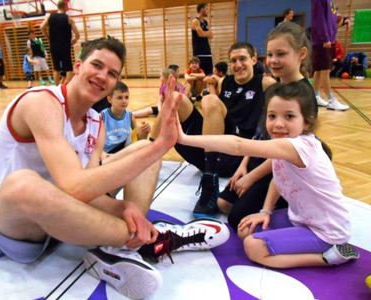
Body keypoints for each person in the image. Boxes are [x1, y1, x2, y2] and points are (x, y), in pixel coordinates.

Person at [0, 36, 229, 299]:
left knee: (141, 151)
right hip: (17, 229)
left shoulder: (96, 122)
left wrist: (125, 207)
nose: (102, 76)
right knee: (24, 185)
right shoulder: (40, 102)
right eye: (96, 65)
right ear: (78, 65)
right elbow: (72, 185)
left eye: (111, 73)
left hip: (65, 222)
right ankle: (152, 237)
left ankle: (122, 247)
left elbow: (86, 191)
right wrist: (160, 144)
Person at [177, 81, 360, 268]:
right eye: (272, 116)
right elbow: (279, 179)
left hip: (326, 231)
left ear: (306, 122)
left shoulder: (299, 146)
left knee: (253, 246)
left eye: (289, 116)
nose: (278, 124)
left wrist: (183, 138)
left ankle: (329, 256)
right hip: (301, 219)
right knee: (245, 229)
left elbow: (238, 145)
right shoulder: (283, 146)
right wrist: (265, 212)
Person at [151, 42, 276, 218]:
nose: (238, 64)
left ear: (254, 60)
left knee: (209, 100)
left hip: (240, 152)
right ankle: (145, 152)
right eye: (233, 61)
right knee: (176, 98)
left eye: (243, 59)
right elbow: (215, 114)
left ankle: (210, 180)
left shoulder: (265, 83)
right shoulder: (225, 82)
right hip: (214, 151)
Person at [220, 23, 317, 230]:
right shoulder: (275, 88)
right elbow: (260, 131)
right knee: (223, 204)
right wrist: (243, 165)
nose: (273, 61)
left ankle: (287, 205)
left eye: (281, 54)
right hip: (262, 158)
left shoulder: (304, 95)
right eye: (270, 54)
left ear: (301, 54)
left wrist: (251, 177)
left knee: (237, 219)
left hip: (279, 168)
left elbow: (285, 153)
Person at [311, 0, 349, 111]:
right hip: (323, 40)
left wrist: (344, 20)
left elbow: (332, 18)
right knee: (325, 70)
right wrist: (324, 37)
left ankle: (315, 96)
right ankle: (331, 99)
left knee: (318, 71)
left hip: (328, 39)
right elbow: (319, 18)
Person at [102, 81, 151, 154]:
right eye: (120, 98)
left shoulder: (130, 115)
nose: (124, 101)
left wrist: (146, 128)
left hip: (125, 149)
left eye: (126, 97)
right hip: (107, 152)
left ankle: (138, 155)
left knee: (142, 128)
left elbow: (137, 137)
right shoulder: (102, 116)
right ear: (110, 99)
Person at [40, 0, 80, 85]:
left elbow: (41, 27)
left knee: (56, 69)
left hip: (54, 46)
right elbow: (77, 34)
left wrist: (48, 38)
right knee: (68, 68)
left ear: (57, 7)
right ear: (65, 7)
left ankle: (56, 87)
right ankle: (65, 87)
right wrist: (75, 40)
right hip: (65, 46)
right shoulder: (68, 18)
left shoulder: (49, 17)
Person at [191, 3, 213, 75]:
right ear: (202, 9)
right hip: (199, 52)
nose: (207, 11)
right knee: (200, 74)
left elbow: (211, 35)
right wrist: (207, 33)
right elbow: (200, 34)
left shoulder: (205, 22)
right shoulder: (195, 21)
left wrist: (206, 33)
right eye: (206, 9)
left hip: (207, 51)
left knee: (209, 73)